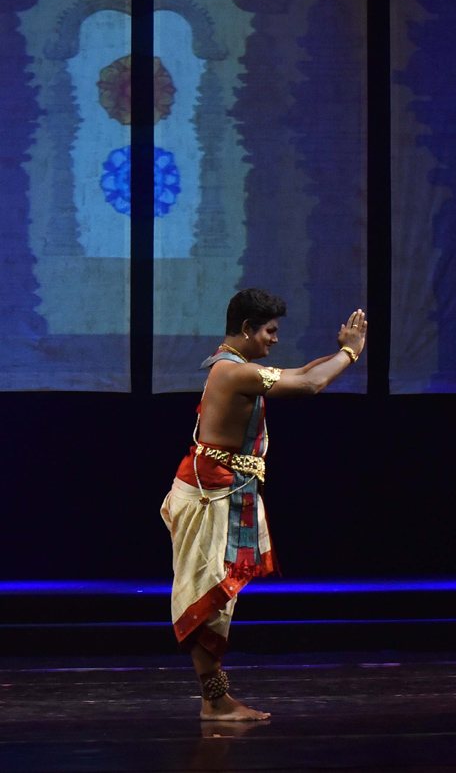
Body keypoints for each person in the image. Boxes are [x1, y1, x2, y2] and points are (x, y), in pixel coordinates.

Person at [160, 288, 368, 721]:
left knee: (219, 598)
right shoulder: (232, 372)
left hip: (224, 490)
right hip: (208, 494)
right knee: (207, 598)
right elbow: (309, 384)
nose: (274, 339)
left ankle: (215, 700)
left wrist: (334, 355)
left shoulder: (238, 367)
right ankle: (215, 701)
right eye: (269, 331)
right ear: (245, 329)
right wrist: (350, 353)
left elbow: (301, 371)